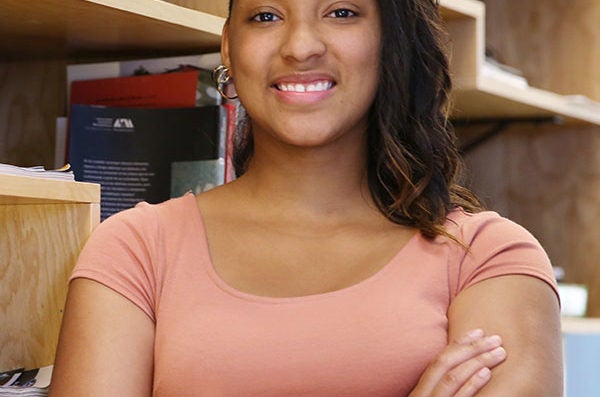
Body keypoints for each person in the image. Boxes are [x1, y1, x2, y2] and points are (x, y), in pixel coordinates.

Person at [50, 0, 563, 395]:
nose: (300, 46)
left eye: (341, 12)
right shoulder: (134, 249)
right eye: (267, 15)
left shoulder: (489, 258)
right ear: (229, 46)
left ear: (391, 38)